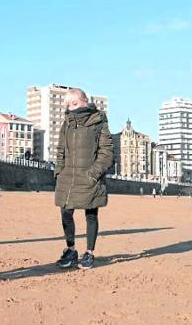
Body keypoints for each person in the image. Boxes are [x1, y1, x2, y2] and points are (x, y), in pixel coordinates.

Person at [54, 88, 113, 270]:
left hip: (89, 177)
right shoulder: (67, 123)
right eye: (69, 105)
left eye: (75, 103)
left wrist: (94, 174)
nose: (71, 108)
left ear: (85, 101)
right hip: (68, 178)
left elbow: (107, 152)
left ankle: (89, 253)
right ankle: (71, 250)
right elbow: (61, 150)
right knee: (66, 213)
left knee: (91, 214)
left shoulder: (98, 122)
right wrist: (59, 171)